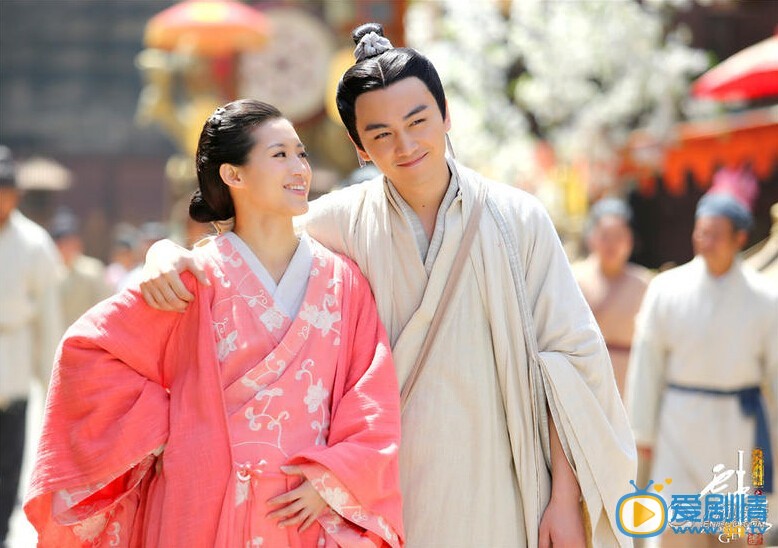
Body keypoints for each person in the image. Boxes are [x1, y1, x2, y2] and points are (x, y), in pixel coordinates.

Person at [139, 24, 636, 547]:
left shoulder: (519, 220)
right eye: (381, 134)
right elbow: (241, 249)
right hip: (380, 497)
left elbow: (568, 364)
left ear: (446, 115)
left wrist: (563, 500)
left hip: (504, 485)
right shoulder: (337, 223)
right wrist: (163, 254)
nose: (406, 145)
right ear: (359, 146)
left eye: (418, 121)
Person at [24, 100, 404, 547]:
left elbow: (371, 393)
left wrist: (334, 479)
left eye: (300, 153)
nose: (299, 167)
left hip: (304, 510)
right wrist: (177, 426)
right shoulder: (191, 276)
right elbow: (87, 352)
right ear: (233, 175)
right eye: (280, 154)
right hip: (200, 501)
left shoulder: (343, 281)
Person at [627, 187, 778, 548]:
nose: (704, 241)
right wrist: (642, 435)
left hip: (740, 432)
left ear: (739, 238)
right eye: (701, 232)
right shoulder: (666, 288)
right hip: (678, 427)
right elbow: (647, 364)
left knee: (737, 537)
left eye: (715, 234)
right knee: (677, 532)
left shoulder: (766, 297)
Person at [0, 145, 64, 543]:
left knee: (9, 461)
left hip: (14, 364)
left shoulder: (34, 242)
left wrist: (51, 381)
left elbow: (48, 317)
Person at [572, 198, 652, 398]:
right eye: (605, 236)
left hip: (629, 384)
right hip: (582, 380)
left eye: (618, 237)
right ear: (591, 238)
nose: (612, 244)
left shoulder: (643, 284)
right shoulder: (573, 278)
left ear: (630, 241)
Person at [49, 209, 113, 328]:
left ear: (77, 242)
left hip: (87, 332)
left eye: (69, 240)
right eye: (61, 242)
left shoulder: (93, 269)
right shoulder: (49, 271)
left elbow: (105, 306)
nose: (66, 245)